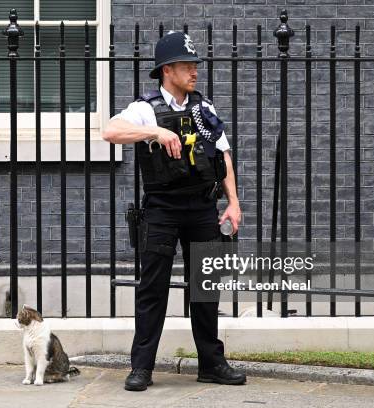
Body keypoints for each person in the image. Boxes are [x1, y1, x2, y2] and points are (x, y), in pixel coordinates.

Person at [102, 31, 245, 391]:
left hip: (201, 207)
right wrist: (154, 132)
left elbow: (222, 155)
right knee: (152, 289)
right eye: (186, 66)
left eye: (195, 65)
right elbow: (110, 131)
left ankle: (212, 364)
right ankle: (141, 368)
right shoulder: (145, 108)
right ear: (167, 70)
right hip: (162, 210)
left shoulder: (204, 108)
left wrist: (233, 202)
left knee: (205, 288)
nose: (194, 72)